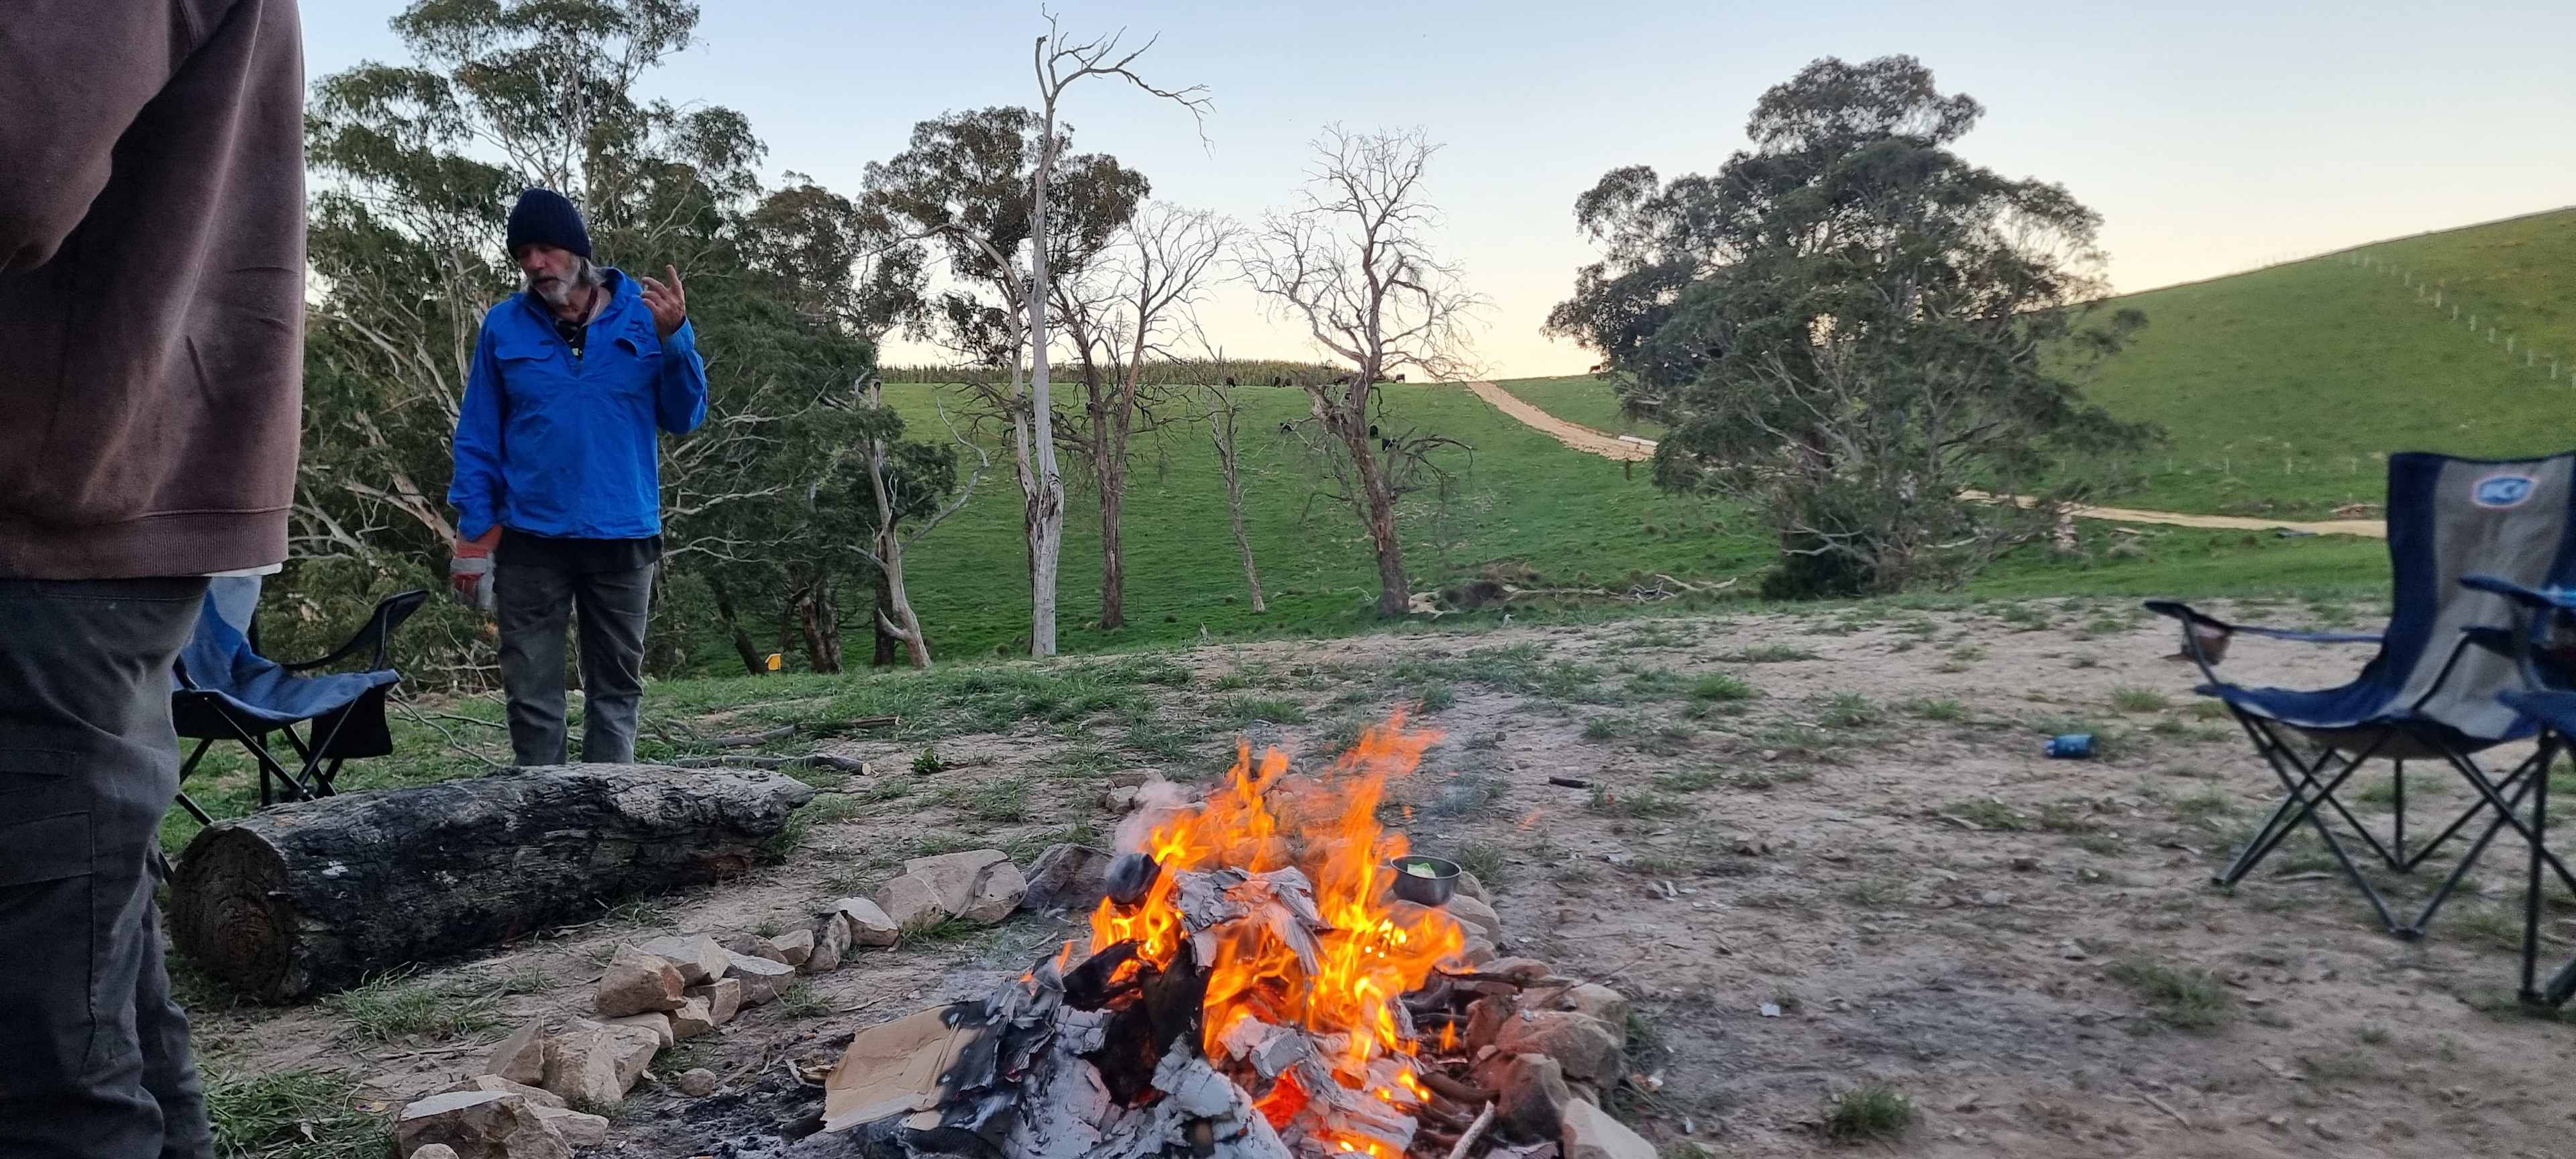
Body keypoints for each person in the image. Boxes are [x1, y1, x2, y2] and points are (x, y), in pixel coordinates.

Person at [0, 1, 307, 1155]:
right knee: (93, 978)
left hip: (51, 502)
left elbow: (17, 159)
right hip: (104, 494)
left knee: (41, 1063)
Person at [449, 189, 708, 767]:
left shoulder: (646, 315)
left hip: (622, 535)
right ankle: (544, 818)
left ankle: (609, 813)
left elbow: (685, 415)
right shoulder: (504, 327)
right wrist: (474, 535)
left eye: (545, 249)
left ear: (578, 251)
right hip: (530, 541)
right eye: (523, 254)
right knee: (532, 695)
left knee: (615, 692)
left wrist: (676, 339)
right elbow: (478, 436)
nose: (534, 264)